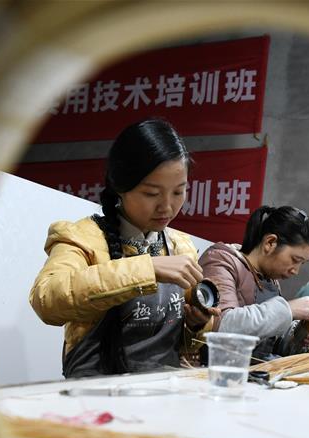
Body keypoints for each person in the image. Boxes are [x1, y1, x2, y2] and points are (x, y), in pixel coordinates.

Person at [29, 118, 216, 378]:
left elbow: (185, 344)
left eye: (178, 192)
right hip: (95, 395)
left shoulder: (180, 246)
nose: (167, 206)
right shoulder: (83, 237)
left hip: (162, 391)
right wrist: (146, 268)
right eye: (151, 194)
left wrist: (198, 325)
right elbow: (47, 300)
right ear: (120, 187)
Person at [199, 205, 309, 360]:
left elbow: (268, 346)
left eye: (302, 263)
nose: (295, 271)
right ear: (270, 243)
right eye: (295, 260)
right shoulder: (221, 261)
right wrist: (288, 309)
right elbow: (222, 326)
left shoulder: (270, 280)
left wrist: (300, 333)